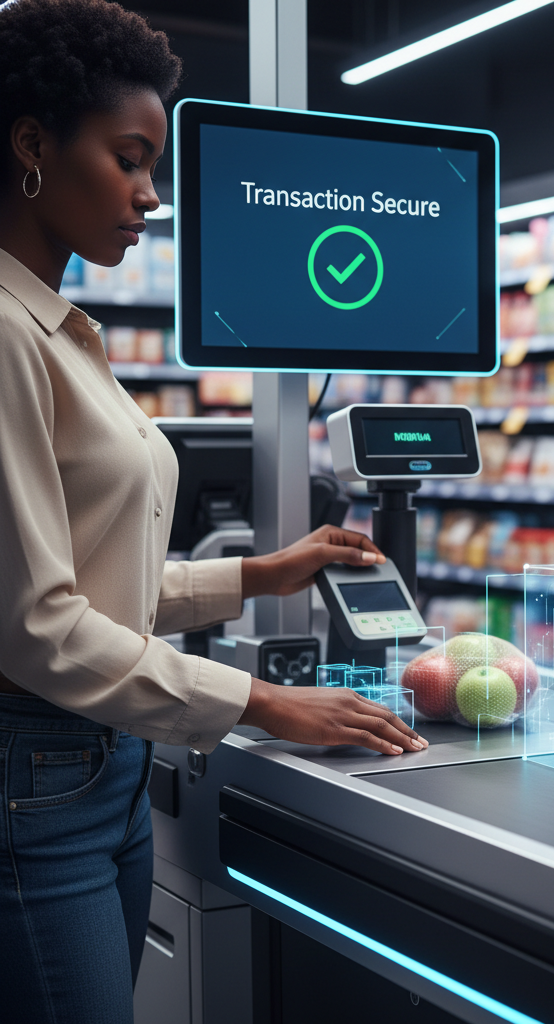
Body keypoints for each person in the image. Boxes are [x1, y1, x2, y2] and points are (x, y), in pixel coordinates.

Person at [0, 2, 427, 1019]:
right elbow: (36, 626)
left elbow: (96, 582)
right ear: (32, 145)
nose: (150, 194)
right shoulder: (6, 335)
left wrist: (258, 573)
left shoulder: (60, 328)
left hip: (103, 765)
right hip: (36, 774)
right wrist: (262, 702)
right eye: (129, 159)